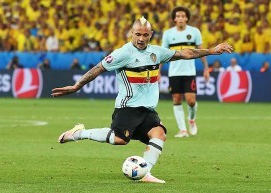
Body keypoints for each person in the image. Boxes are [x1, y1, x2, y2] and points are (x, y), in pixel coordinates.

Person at [52, 17, 233, 184]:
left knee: (159, 134)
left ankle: (145, 173)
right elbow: (98, 68)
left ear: (150, 35)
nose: (141, 38)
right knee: (120, 140)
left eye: (145, 35)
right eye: (138, 34)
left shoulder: (156, 52)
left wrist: (211, 51)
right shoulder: (123, 53)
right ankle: (79, 133)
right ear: (132, 33)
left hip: (147, 109)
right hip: (128, 106)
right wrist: (77, 86)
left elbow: (185, 53)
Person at [161, 6, 209, 138]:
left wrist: (206, 68)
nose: (181, 18)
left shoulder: (194, 32)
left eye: (183, 16)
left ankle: (192, 120)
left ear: (187, 18)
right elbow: (162, 54)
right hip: (174, 73)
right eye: (178, 16)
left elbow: (201, 51)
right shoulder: (168, 34)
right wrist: (158, 71)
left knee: (191, 101)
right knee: (176, 99)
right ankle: (183, 130)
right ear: (174, 19)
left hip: (189, 72)